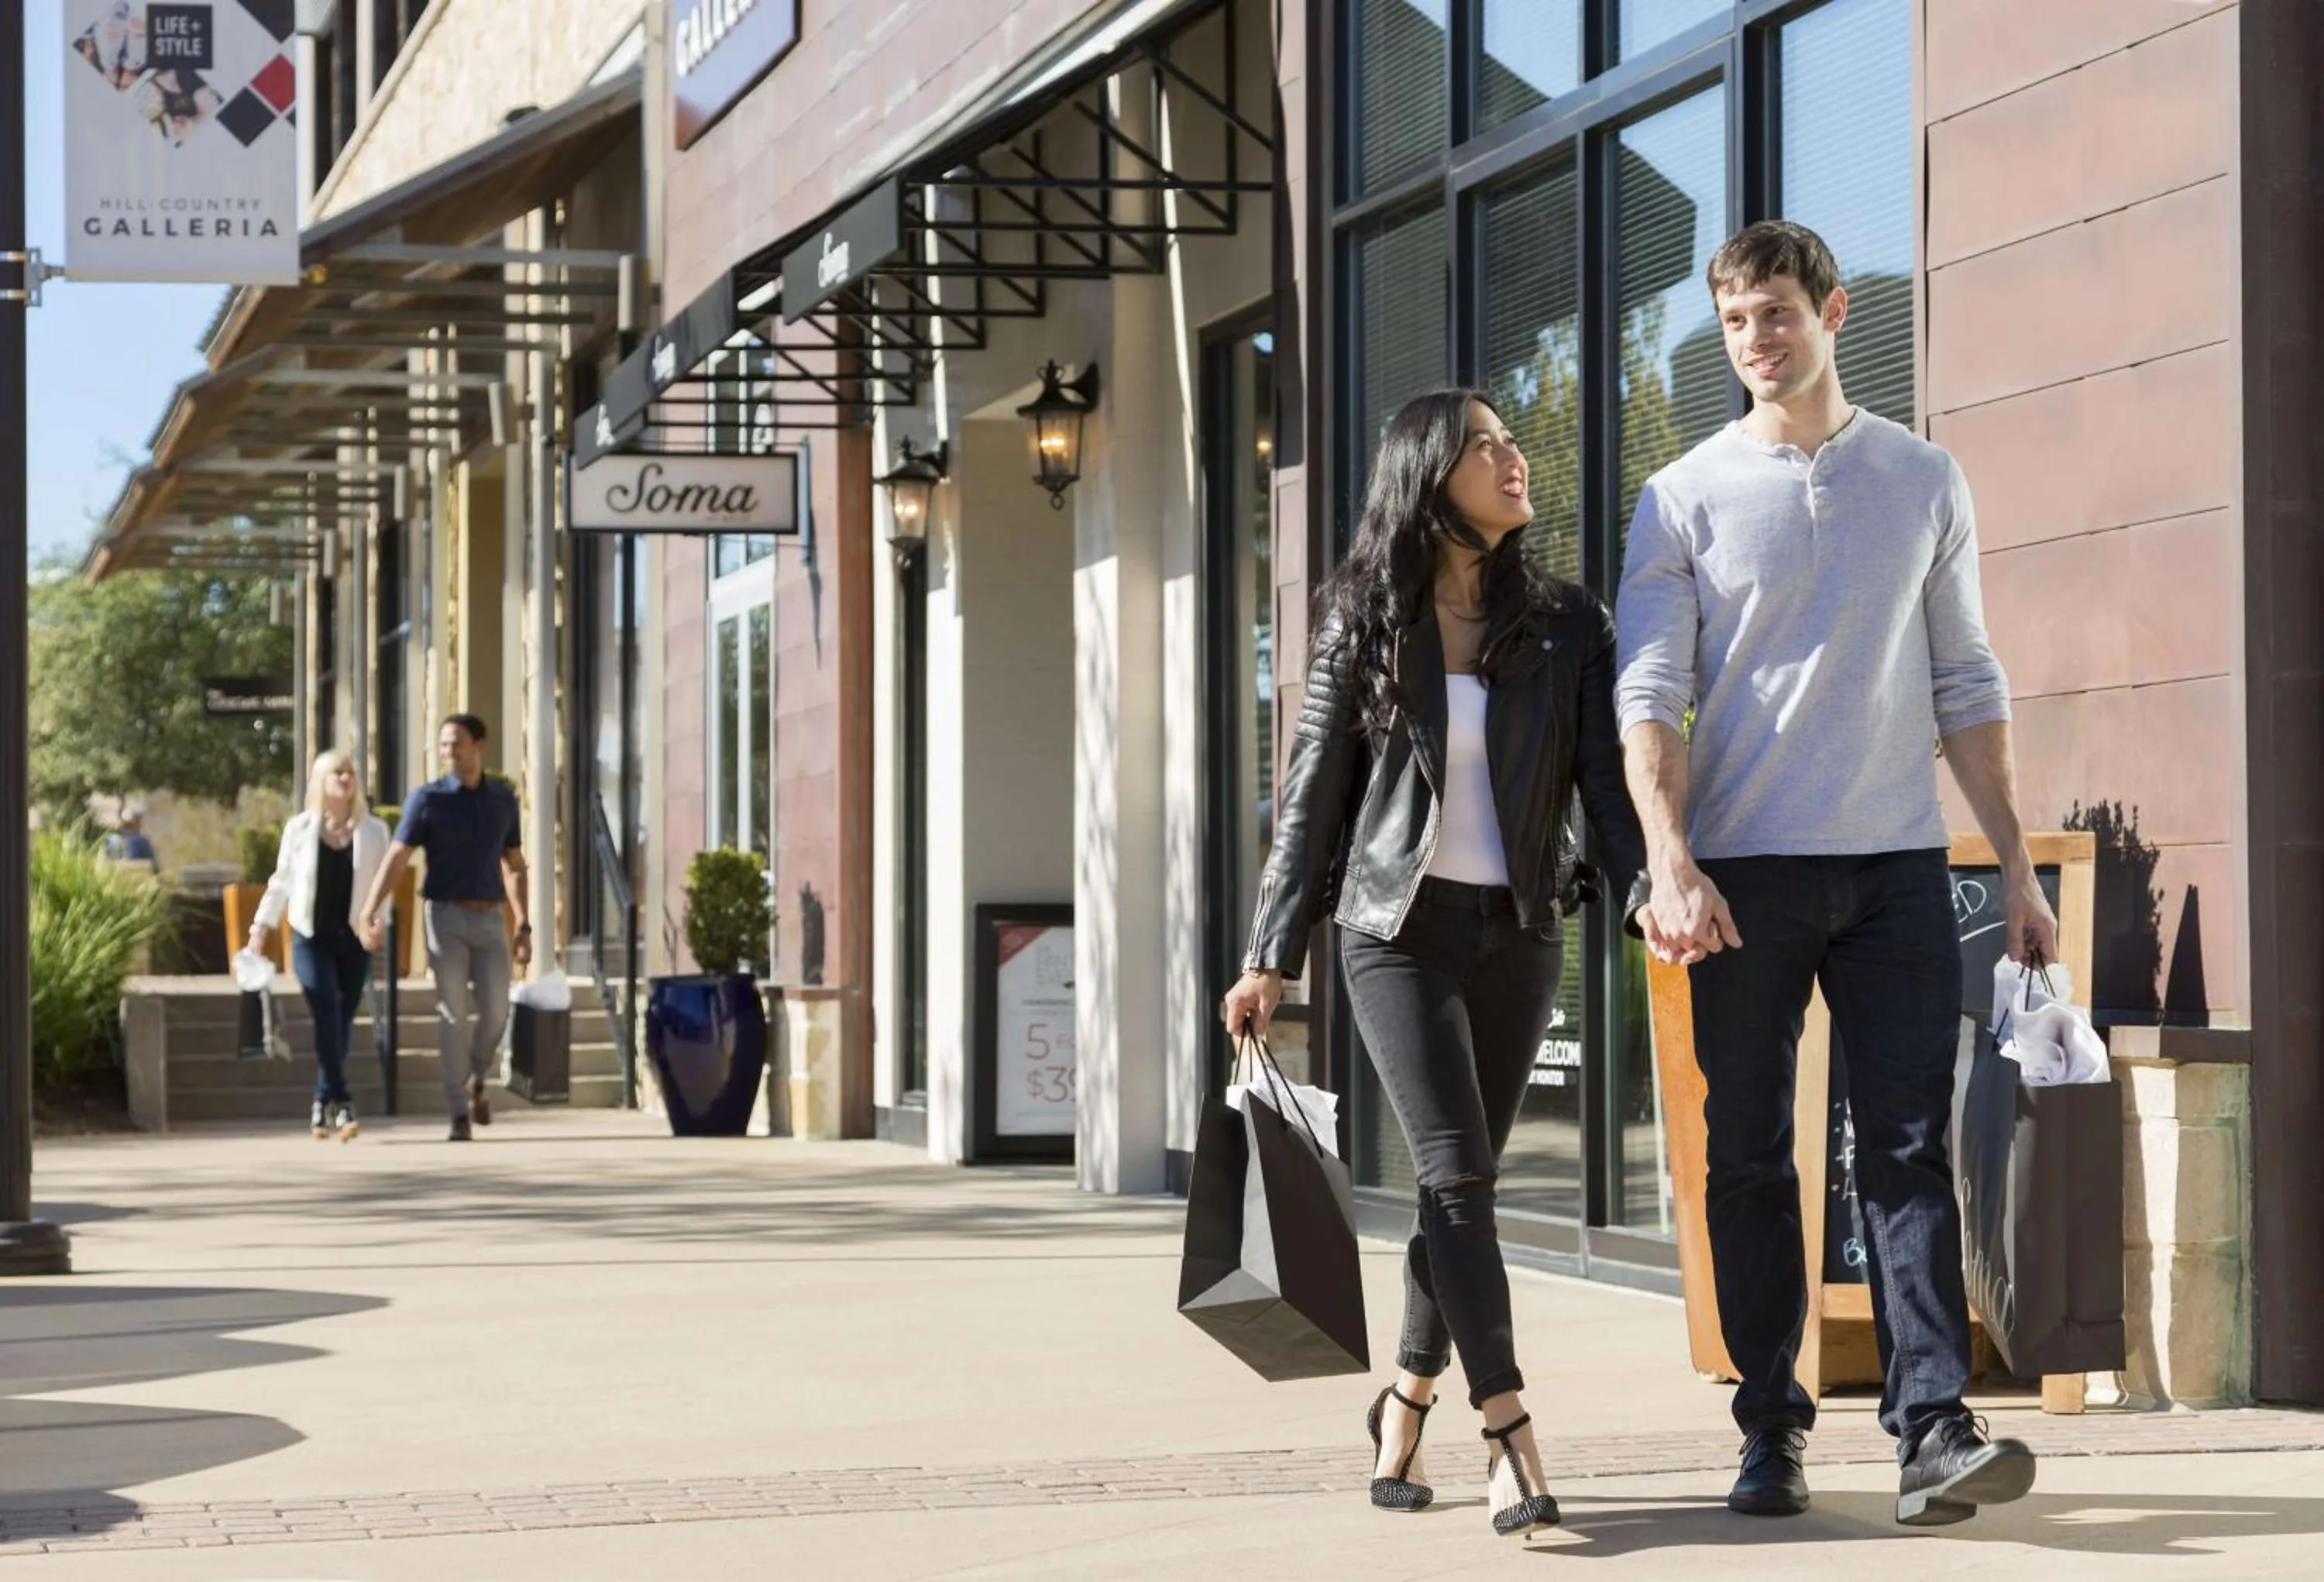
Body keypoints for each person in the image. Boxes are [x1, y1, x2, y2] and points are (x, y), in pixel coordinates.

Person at [1615, 221, 2059, 1527]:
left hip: (1896, 872)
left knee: (1909, 1147)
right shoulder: (1681, 493)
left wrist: (2021, 874)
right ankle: (1769, 1426)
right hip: (1741, 881)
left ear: (1833, 311)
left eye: (1776, 313)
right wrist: (1670, 858)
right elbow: (1652, 688)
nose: (1756, 339)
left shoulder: (1923, 478)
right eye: (1736, 319)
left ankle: (1933, 1426)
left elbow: (1964, 679)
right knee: (1748, 1155)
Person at [1221, 389, 1646, 1544]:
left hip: (1516, 931)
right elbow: (1312, 791)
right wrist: (1270, 953)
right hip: (1390, 933)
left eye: (1513, 441)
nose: (1515, 458)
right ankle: (1507, 1430)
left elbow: (1604, 784)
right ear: (1428, 473)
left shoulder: (1566, 622)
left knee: (1456, 1189)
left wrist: (1650, 891)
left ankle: (1402, 1401)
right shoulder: (1363, 614)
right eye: (1486, 445)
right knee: (1458, 1177)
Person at [359, 714, 532, 1142]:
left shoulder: (502, 799)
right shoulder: (427, 800)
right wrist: (369, 909)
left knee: (496, 1012)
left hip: (492, 918)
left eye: (456, 744)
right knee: (453, 1012)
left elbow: (513, 865)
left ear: (479, 746)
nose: (448, 752)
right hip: (445, 917)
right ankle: (457, 1109)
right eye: (442, 746)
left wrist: (524, 922)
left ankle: (477, 1079)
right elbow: (398, 858)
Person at [251, 751, 389, 1141]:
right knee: (325, 1008)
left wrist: (379, 924)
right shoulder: (300, 829)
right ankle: (342, 1101)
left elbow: (384, 887)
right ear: (321, 781)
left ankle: (320, 1101)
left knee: (342, 1019)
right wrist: (260, 927)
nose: (345, 779)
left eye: (350, 773)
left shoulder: (374, 831)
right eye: (337, 773)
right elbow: (281, 882)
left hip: (354, 937)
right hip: (310, 936)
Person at [105, 803, 158, 867]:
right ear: (137, 823)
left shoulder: (110, 839)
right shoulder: (143, 841)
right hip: (135, 873)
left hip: (115, 873)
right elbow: (154, 866)